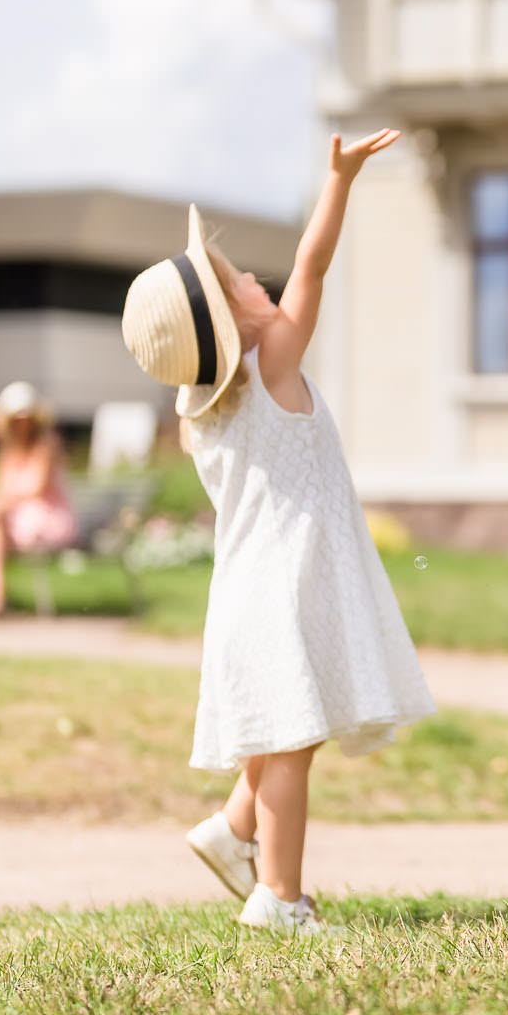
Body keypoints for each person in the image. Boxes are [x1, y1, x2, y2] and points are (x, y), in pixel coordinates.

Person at [119, 129, 436, 934]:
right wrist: (340, 181)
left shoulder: (205, 413)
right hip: (287, 585)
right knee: (292, 742)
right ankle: (279, 897)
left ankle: (231, 830)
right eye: (240, 284)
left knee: (282, 723)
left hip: (250, 592)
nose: (259, 281)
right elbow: (313, 267)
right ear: (235, 327)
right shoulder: (273, 367)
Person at [0, 380, 77, 623]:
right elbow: (4, 490)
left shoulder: (46, 445)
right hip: (18, 519)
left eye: (26, 417)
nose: (22, 423)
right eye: (17, 418)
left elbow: (34, 489)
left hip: (47, 519)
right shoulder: (8, 449)